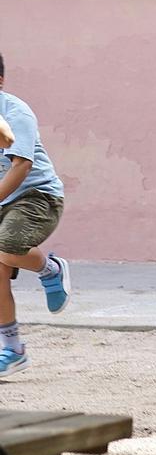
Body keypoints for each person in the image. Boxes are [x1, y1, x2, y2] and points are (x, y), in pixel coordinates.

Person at [0, 53, 73, 378]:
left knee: (7, 247)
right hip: (5, 203)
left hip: (38, 197)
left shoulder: (15, 112)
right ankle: (12, 349)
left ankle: (51, 270)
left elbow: (22, 164)